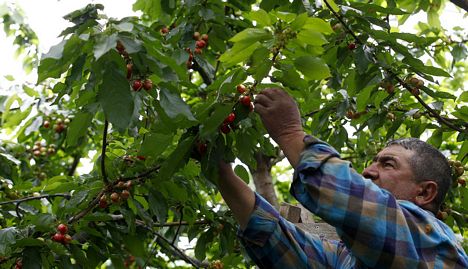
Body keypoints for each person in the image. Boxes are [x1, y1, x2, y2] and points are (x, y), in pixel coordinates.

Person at [217, 88, 468, 268]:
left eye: (388, 164)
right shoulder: (348, 258)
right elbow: (279, 242)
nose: (368, 170)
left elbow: (362, 205)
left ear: (424, 193)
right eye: (373, 161)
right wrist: (222, 173)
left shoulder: (430, 238)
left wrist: (290, 133)